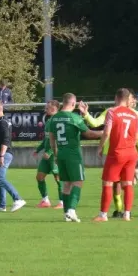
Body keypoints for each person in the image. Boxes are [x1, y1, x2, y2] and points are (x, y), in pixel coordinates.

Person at [49, 93, 102, 222]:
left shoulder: (53, 119)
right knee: (78, 181)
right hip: (73, 154)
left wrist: (56, 155)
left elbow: (52, 139)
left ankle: (66, 213)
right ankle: (72, 210)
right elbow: (88, 134)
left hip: (60, 154)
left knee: (67, 184)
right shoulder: (74, 118)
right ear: (73, 104)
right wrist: (104, 133)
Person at [93, 89, 138, 222]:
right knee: (128, 183)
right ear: (128, 98)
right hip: (131, 152)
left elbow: (107, 132)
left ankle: (103, 215)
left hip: (117, 152)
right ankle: (127, 214)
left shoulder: (112, 112)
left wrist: (100, 147)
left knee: (107, 183)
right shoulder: (134, 114)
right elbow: (136, 135)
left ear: (116, 97)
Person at [0, 100, 26, 212]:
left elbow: (6, 140)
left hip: (4, 155)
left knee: (0, 179)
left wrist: (1, 155)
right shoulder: (1, 122)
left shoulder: (3, 122)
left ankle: (18, 199)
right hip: (0, 153)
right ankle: (2, 205)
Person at [32, 100, 63, 209]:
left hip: (54, 155)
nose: (45, 109)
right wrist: (38, 149)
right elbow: (46, 139)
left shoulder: (57, 121)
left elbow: (58, 139)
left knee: (58, 178)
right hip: (46, 155)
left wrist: (50, 152)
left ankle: (62, 202)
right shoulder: (49, 121)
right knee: (39, 177)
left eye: (47, 107)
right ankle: (45, 200)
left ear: (54, 109)